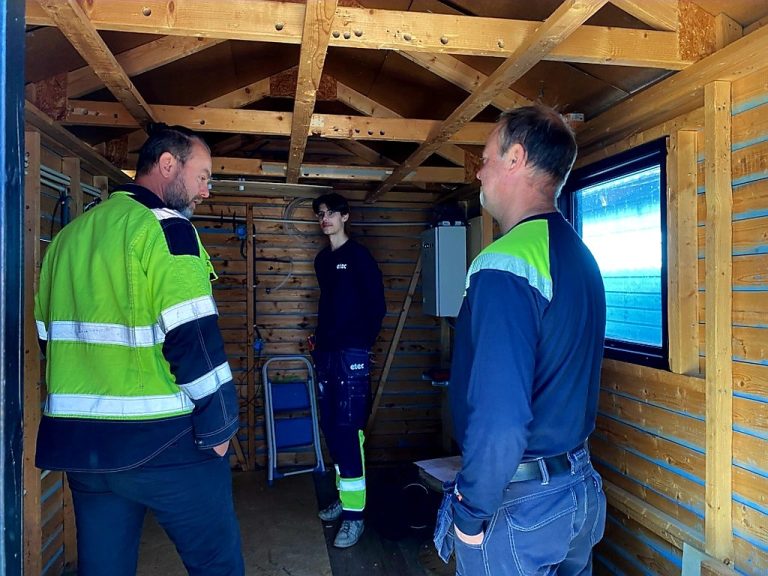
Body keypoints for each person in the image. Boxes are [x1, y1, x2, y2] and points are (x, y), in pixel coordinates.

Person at [34, 124, 244, 575]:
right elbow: (193, 336)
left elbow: (48, 336)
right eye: (203, 176)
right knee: (218, 566)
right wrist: (222, 425)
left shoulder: (68, 239)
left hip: (84, 450)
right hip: (165, 444)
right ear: (168, 164)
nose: (206, 191)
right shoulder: (168, 230)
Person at [433, 106, 607, 575]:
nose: (479, 169)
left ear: (515, 157)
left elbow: (501, 416)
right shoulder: (579, 255)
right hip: (578, 491)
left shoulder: (504, 264)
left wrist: (470, 513)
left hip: (522, 505)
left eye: (486, 156)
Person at [310, 192, 386, 548]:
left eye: (330, 213)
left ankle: (355, 517)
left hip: (351, 355)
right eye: (320, 214)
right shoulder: (322, 261)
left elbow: (377, 305)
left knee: (347, 429)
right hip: (325, 355)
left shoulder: (359, 257)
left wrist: (360, 343)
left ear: (345, 217)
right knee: (330, 427)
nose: (324, 219)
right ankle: (344, 497)